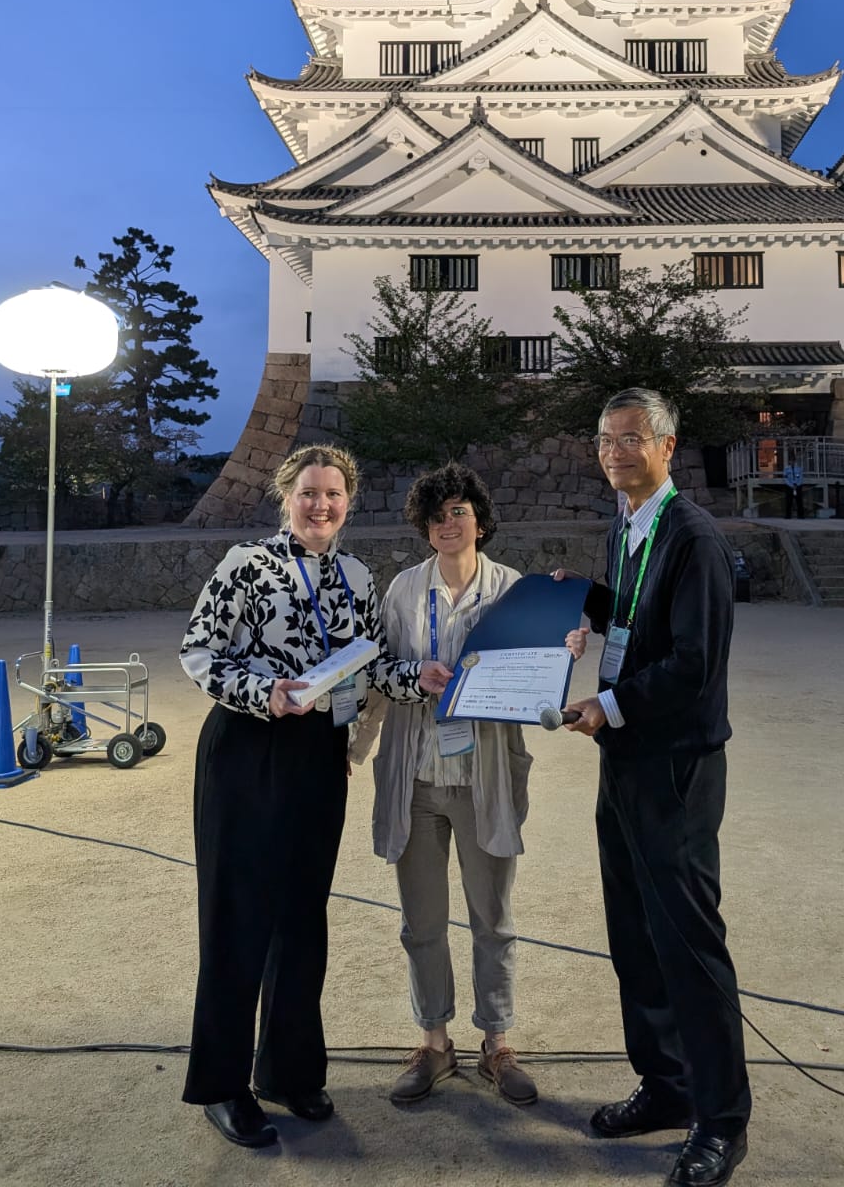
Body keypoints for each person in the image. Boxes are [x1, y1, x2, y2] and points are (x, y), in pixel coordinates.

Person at [178, 444, 445, 1148]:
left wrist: (421, 676)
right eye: (308, 492)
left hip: (320, 757)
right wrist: (262, 693)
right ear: (284, 496)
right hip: (246, 748)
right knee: (240, 920)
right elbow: (198, 651)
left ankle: (290, 1071)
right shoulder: (245, 565)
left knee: (302, 921)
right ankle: (223, 1086)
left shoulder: (357, 577)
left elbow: (369, 663)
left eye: (333, 494)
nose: (320, 505)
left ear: (347, 502)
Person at [563, 388, 751, 1187]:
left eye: (632, 439)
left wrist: (607, 704)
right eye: (606, 440)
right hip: (626, 761)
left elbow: (693, 662)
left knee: (687, 943)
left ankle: (720, 1121)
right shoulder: (629, 526)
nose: (616, 452)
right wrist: (585, 604)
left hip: (675, 767)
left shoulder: (694, 537)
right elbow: (643, 622)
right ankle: (667, 1087)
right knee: (635, 938)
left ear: (668, 447)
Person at [363, 462, 578, 1108]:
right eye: (436, 514)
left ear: (480, 521)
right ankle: (434, 1042)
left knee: (495, 920)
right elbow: (378, 670)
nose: (447, 523)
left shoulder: (516, 590)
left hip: (484, 778)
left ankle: (497, 1042)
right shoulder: (403, 590)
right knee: (420, 922)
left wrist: (560, 654)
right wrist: (390, 699)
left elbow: (535, 682)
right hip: (416, 779)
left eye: (459, 511)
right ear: (424, 529)